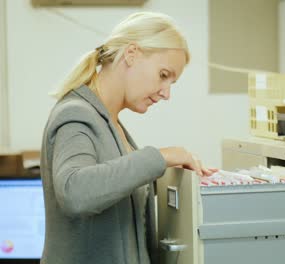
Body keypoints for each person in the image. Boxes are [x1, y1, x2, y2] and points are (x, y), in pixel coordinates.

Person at [40, 12, 216, 264]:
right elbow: (75, 191)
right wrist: (160, 156)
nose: (166, 93)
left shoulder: (110, 123)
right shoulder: (76, 115)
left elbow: (112, 190)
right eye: (163, 75)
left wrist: (166, 176)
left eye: (172, 83)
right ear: (131, 54)